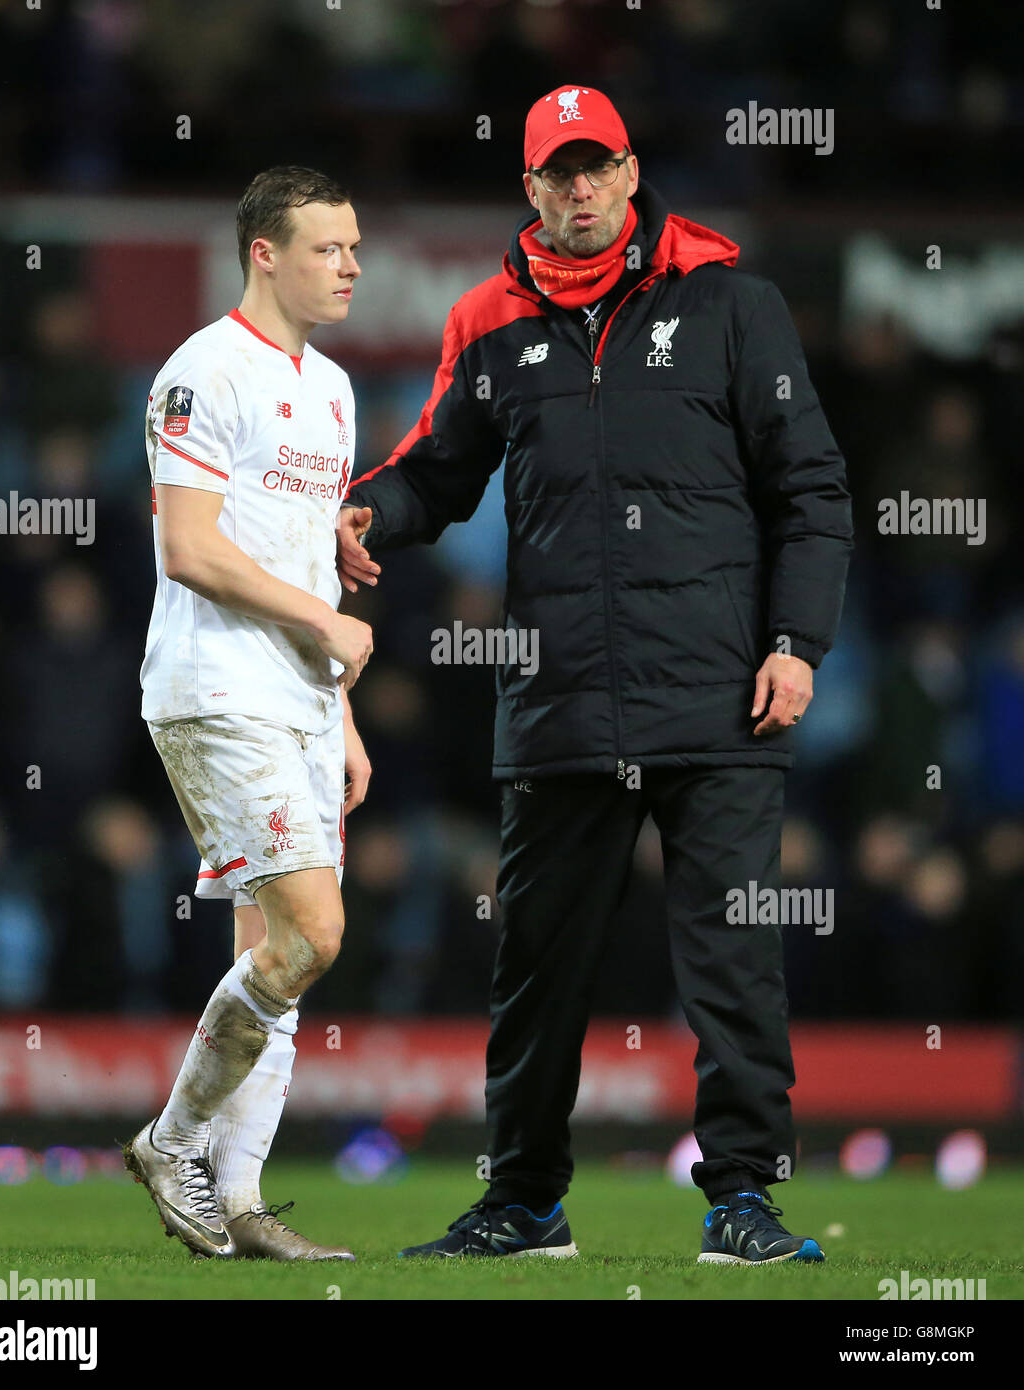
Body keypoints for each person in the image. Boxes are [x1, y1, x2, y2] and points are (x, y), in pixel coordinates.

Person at [338, 87, 852, 1263]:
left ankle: (742, 1201)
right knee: (535, 969)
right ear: (528, 188)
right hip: (562, 697)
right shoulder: (488, 323)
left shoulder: (733, 304)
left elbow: (813, 493)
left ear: (629, 172)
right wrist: (372, 512)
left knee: (731, 965)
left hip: (721, 693)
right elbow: (434, 471)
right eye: (556, 172)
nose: (579, 188)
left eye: (597, 166)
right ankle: (523, 1203)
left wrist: (796, 643)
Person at [124, 167, 373, 1261]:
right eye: (328, 247)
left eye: (356, 247)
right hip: (217, 690)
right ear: (263, 253)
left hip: (301, 705)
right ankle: (169, 1143)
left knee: (276, 953)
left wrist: (341, 709)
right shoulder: (201, 372)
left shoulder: (331, 387)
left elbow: (303, 549)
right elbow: (191, 549)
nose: (352, 265)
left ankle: (239, 1198)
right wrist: (324, 624)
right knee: (312, 932)